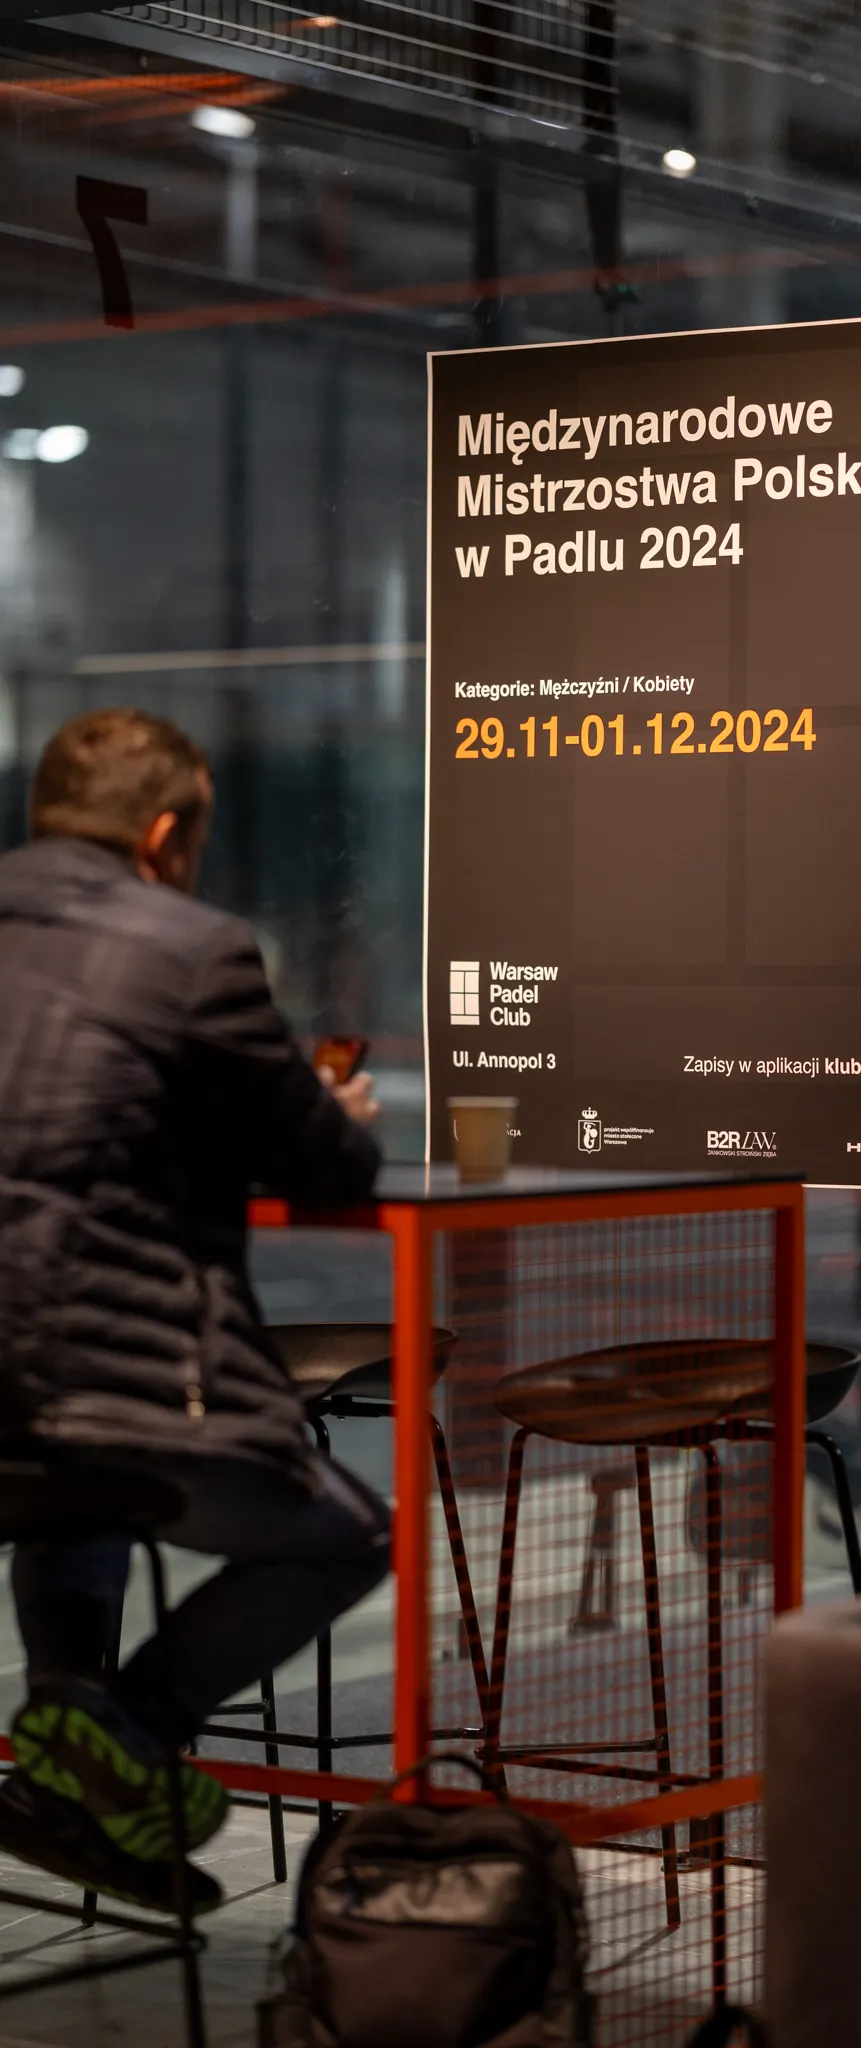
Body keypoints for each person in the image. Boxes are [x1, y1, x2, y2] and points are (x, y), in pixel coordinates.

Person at [0, 708, 390, 1912]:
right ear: (166, 834)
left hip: (22, 1413)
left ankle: (75, 1789)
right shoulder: (191, 950)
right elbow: (325, 1168)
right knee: (346, 1532)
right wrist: (351, 1116)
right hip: (100, 1388)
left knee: (73, 1492)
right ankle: (111, 1734)